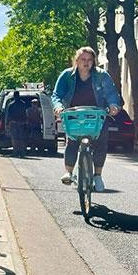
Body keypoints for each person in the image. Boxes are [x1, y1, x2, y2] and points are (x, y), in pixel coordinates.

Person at [51, 47, 121, 192]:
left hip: (97, 116)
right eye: (83, 59)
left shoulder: (101, 75)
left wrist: (113, 105)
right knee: (72, 142)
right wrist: (58, 108)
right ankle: (69, 172)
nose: (86, 62)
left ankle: (98, 175)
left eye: (89, 60)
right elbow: (56, 95)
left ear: (94, 61)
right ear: (76, 60)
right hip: (74, 116)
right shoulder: (67, 76)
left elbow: (111, 93)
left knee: (101, 143)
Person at [7, 91, 29, 157]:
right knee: (21, 138)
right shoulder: (23, 104)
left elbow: (9, 115)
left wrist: (8, 123)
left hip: (13, 123)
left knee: (14, 138)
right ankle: (22, 152)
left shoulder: (11, 105)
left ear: (14, 96)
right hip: (21, 123)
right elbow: (26, 114)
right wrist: (26, 122)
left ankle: (15, 152)